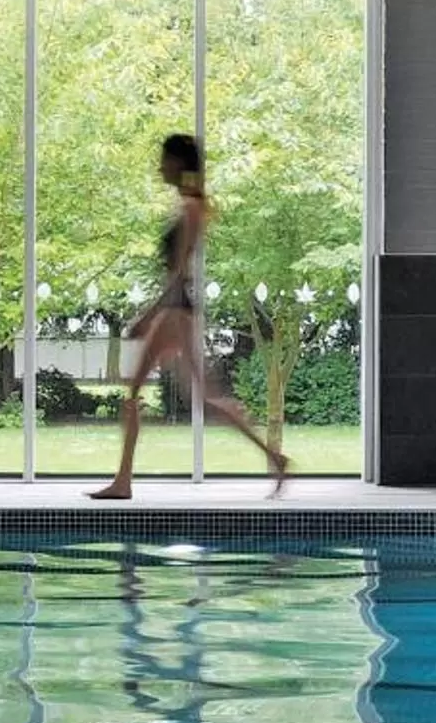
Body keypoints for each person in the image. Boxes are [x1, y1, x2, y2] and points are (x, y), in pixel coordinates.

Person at [90, 133, 291, 500]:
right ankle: (273, 458)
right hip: (178, 310)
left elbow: (179, 272)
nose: (159, 166)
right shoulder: (190, 205)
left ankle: (123, 482)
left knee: (140, 392)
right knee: (200, 398)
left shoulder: (191, 209)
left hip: (176, 311)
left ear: (179, 163)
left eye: (164, 159)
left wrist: (148, 317)